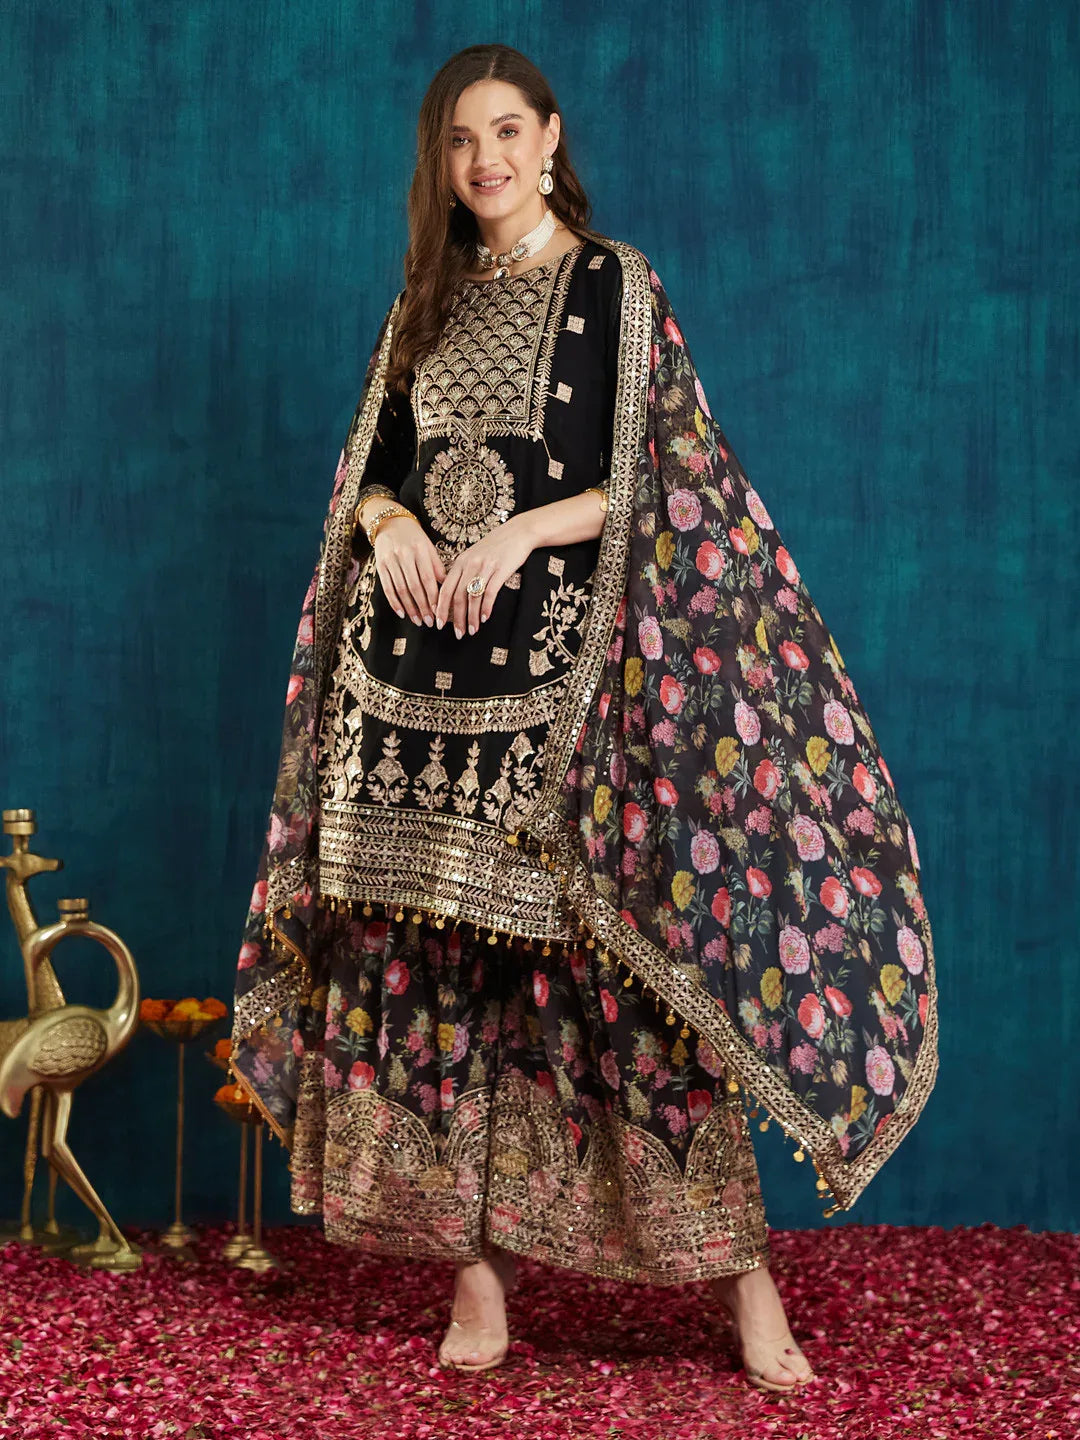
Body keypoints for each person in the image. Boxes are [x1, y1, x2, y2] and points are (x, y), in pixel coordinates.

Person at [229, 44, 938, 1390]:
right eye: (458, 141)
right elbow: (370, 477)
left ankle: (745, 1290)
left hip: (560, 695)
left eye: (506, 131)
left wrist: (517, 541)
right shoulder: (422, 301)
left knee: (622, 986)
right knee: (427, 980)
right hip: (409, 700)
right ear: (437, 163)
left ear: (551, 139)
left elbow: (665, 472)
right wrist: (388, 529)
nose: (484, 161)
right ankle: (477, 1282)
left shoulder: (615, 285)